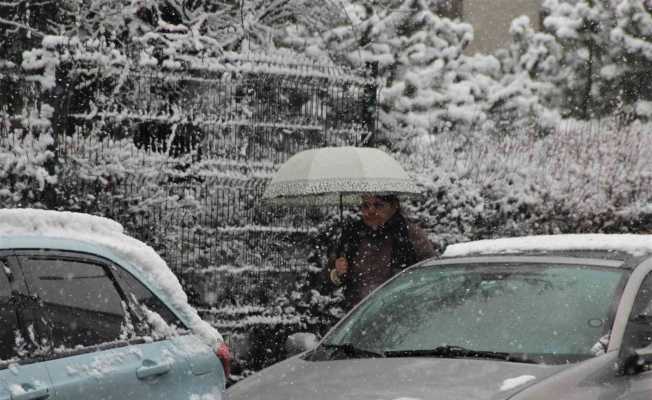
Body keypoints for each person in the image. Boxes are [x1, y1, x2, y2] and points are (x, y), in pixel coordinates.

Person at [326, 193, 435, 310]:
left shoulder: (410, 235)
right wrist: (337, 273)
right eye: (365, 206)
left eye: (378, 205)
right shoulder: (351, 235)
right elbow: (328, 277)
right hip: (358, 314)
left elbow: (430, 274)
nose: (371, 211)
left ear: (394, 207)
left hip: (400, 310)